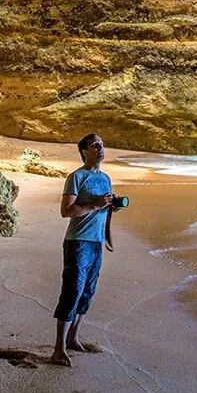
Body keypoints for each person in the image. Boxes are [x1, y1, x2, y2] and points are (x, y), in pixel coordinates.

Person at [51, 133, 117, 367]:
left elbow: (105, 211)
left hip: (96, 241)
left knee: (88, 290)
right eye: (95, 145)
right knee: (72, 291)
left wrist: (108, 231)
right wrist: (93, 205)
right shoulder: (76, 177)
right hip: (77, 241)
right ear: (84, 152)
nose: (100, 148)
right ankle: (58, 348)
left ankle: (73, 337)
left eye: (102, 144)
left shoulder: (106, 178)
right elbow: (66, 211)